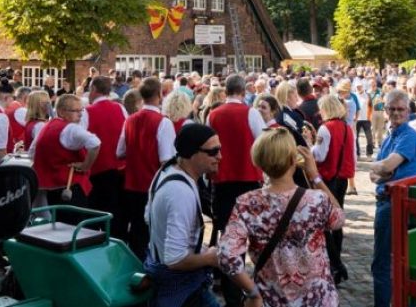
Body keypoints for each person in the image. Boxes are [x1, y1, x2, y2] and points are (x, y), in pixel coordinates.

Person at [220, 127, 344, 307]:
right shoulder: (316, 200)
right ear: (294, 159)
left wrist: (252, 292)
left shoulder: (247, 203)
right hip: (317, 298)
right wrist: (314, 176)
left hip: (272, 298)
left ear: (259, 159)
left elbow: (226, 256)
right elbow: (338, 219)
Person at [144, 123, 221, 307]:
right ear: (192, 153)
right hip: (179, 286)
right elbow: (174, 259)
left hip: (166, 275)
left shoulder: (168, 169)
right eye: (213, 151)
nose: (220, 156)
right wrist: (210, 257)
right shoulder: (180, 192)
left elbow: (148, 217)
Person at [207, 74, 265, 306]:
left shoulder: (213, 114)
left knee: (230, 240)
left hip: (222, 182)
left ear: (225, 92)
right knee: (255, 238)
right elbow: (262, 144)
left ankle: (231, 293)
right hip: (248, 180)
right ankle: (254, 289)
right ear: (243, 91)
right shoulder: (251, 112)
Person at [369, 88, 416, 307]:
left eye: (400, 109)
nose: (396, 113)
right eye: (391, 108)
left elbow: (386, 166)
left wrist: (381, 169)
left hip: (394, 203)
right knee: (385, 261)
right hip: (386, 201)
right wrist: (381, 171)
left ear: (408, 109)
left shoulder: (408, 136)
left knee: (382, 263)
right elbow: (377, 174)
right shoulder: (390, 135)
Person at [118, 77, 176, 259]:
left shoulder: (130, 120)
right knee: (154, 232)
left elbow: (119, 151)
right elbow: (167, 159)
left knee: (136, 231)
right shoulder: (163, 122)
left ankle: (135, 270)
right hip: (153, 185)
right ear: (160, 94)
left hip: (132, 183)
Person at [312, 94, 356, 285]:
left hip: (328, 178)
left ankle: (334, 263)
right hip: (342, 178)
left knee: (324, 223)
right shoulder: (347, 127)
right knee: (337, 219)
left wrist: (309, 145)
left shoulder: (325, 128)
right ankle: (336, 258)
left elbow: (320, 156)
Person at [31, 94, 100, 211]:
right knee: (74, 225)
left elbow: (32, 152)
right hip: (70, 187)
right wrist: (85, 166)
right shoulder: (71, 128)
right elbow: (95, 143)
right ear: (61, 112)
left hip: (51, 188)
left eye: (81, 110)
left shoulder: (47, 126)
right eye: (75, 111)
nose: (80, 114)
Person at [86, 76, 130, 240]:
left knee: (95, 214)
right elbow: (125, 136)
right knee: (116, 214)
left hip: (96, 170)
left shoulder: (87, 111)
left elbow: (82, 141)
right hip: (118, 169)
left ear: (94, 90)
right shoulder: (120, 108)